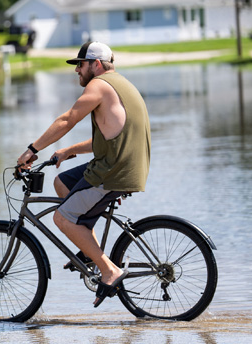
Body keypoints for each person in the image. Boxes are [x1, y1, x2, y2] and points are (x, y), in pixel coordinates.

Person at [16, 41, 151, 307]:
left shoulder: (98, 85)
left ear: (96, 65)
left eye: (80, 64)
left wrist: (32, 150)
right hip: (121, 164)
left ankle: (109, 270)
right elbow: (109, 139)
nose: (77, 70)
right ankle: (90, 252)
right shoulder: (120, 85)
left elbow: (68, 119)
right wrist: (67, 151)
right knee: (62, 182)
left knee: (62, 217)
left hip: (114, 169)